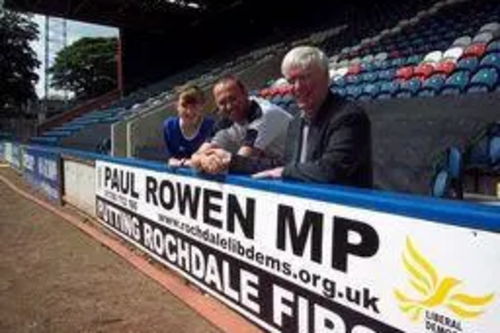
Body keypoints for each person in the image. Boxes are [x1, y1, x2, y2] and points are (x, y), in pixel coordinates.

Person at [199, 46, 373, 188]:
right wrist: (231, 161)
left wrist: (283, 172)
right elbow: (286, 164)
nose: (297, 88)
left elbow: (332, 169)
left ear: (326, 77)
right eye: (291, 81)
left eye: (304, 78)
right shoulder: (296, 121)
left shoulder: (348, 116)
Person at [190, 75, 292, 171]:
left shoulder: (263, 115)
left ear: (245, 94)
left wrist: (214, 161)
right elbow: (195, 157)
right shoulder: (225, 121)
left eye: (233, 99)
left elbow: (241, 162)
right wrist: (204, 160)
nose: (229, 106)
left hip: (298, 167)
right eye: (222, 103)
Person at [163, 83, 215, 168]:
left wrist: (184, 163)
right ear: (176, 106)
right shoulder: (169, 126)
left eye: (194, 106)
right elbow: (171, 159)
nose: (189, 111)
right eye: (184, 106)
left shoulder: (211, 126)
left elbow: (208, 161)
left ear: (202, 105)